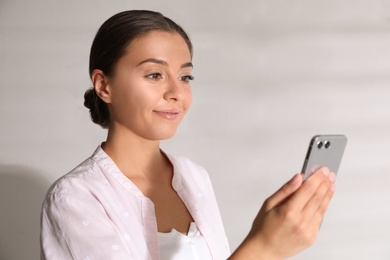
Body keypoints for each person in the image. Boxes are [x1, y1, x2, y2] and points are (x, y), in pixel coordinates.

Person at [40, 10, 336, 260]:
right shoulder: (75, 198)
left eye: (185, 77)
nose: (176, 93)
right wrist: (264, 248)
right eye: (155, 75)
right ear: (104, 86)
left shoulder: (194, 177)